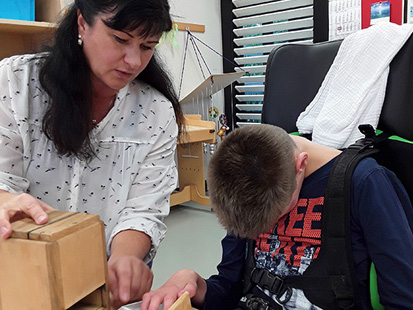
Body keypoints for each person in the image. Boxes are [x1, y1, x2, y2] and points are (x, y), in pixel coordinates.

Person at [0, 0, 184, 309]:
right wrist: (7, 201)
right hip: (21, 267)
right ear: (83, 24)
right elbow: (3, 180)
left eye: (147, 46)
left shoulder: (156, 112)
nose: (133, 60)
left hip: (100, 282)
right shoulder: (15, 83)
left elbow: (143, 208)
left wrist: (125, 259)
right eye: (121, 40)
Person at [141, 124, 413, 310]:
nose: (269, 229)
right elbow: (230, 288)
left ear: (301, 166)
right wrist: (194, 283)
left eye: (276, 216)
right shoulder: (245, 188)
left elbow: (403, 299)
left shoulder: (365, 183)